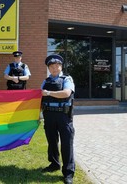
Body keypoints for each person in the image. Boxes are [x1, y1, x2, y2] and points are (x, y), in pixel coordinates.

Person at [40, 54, 75, 184]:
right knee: (52, 142)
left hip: (64, 116)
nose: (54, 68)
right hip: (49, 115)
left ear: (61, 66)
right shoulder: (46, 81)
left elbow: (66, 93)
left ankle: (68, 173)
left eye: (57, 66)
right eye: (52, 66)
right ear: (49, 68)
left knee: (67, 144)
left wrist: (48, 93)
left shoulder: (67, 79)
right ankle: (54, 164)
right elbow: (40, 97)